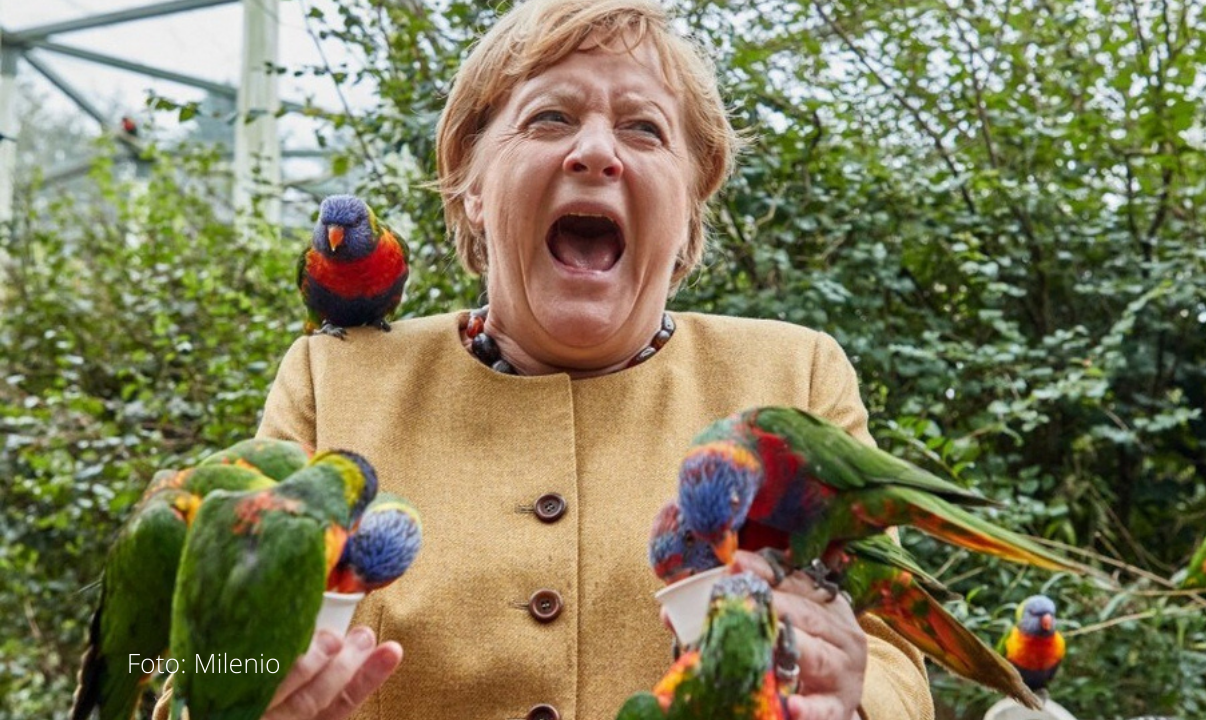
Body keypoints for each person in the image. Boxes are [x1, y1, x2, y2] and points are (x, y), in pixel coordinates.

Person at [155, 0, 935, 718]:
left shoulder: (792, 378)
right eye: (550, 118)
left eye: (644, 129)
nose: (596, 152)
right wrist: (236, 695)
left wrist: (850, 691)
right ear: (472, 188)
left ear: (691, 204)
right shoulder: (335, 379)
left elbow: (898, 661)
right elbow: (196, 659)